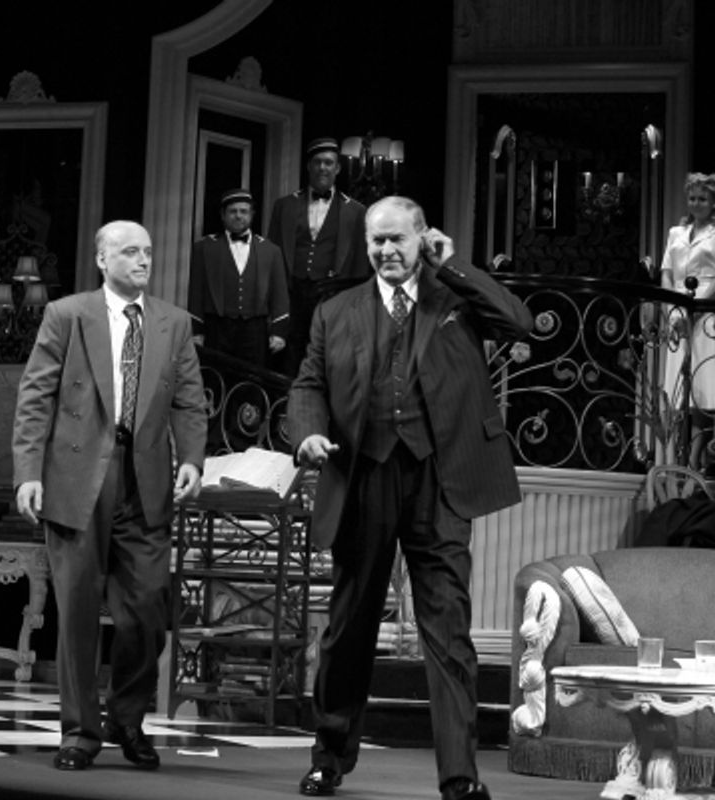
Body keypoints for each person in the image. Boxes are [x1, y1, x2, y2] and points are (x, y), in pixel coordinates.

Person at [288, 197, 532, 800]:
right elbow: (308, 383)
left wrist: (455, 268)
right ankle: (329, 758)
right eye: (377, 242)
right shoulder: (335, 310)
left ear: (424, 238)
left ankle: (459, 777)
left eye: (398, 239)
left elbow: (520, 323)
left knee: (448, 631)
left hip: (439, 479)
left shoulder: (455, 301)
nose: (386, 252)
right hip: (363, 476)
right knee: (348, 628)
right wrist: (308, 432)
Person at [12, 220, 206, 772]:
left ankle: (128, 717)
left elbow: (190, 402)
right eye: (128, 252)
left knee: (146, 609)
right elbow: (35, 397)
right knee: (74, 611)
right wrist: (28, 471)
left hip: (144, 481)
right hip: (76, 478)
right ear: (102, 259)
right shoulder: (67, 315)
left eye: (147, 251)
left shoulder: (173, 324)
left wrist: (191, 458)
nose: (142, 260)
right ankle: (79, 731)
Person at [267, 137, 371, 375]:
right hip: (292, 292)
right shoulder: (284, 205)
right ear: (308, 166)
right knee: (289, 356)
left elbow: (359, 266)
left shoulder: (356, 211)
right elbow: (272, 257)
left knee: (327, 354)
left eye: (328, 163)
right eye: (317, 162)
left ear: (338, 168)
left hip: (331, 294)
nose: (322, 168)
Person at [187, 187, 289, 366]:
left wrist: (279, 331)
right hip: (216, 327)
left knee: (253, 382)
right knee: (216, 377)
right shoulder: (204, 248)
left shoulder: (270, 250)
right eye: (233, 211)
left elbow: (280, 293)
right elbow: (196, 292)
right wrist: (197, 331)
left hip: (255, 329)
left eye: (244, 211)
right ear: (223, 215)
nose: (238, 216)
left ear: (252, 214)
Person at [659, 172, 715, 475]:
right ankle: (672, 460)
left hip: (706, 314)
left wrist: (693, 308)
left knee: (702, 390)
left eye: (703, 198)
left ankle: (696, 459)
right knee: (676, 390)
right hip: (677, 311)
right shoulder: (675, 233)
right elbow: (667, 271)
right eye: (692, 198)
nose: (697, 203)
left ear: (712, 202)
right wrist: (673, 309)